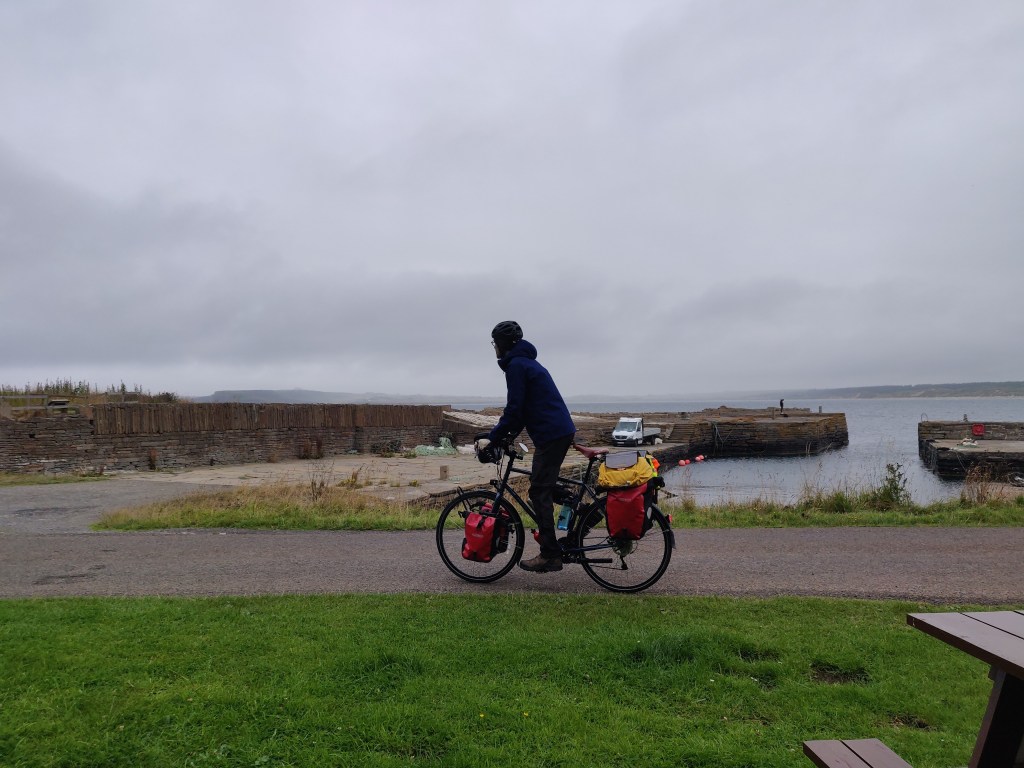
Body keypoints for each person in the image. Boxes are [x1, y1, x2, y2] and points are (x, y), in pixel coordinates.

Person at [476, 321, 576, 573]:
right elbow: (521, 412)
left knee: (538, 492)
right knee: (543, 485)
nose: (494, 348)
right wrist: (502, 436)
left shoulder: (516, 366)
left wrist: (493, 438)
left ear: (502, 344)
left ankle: (550, 555)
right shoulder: (526, 363)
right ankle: (581, 509)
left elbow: (514, 409)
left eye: (494, 343)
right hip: (557, 432)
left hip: (551, 435)